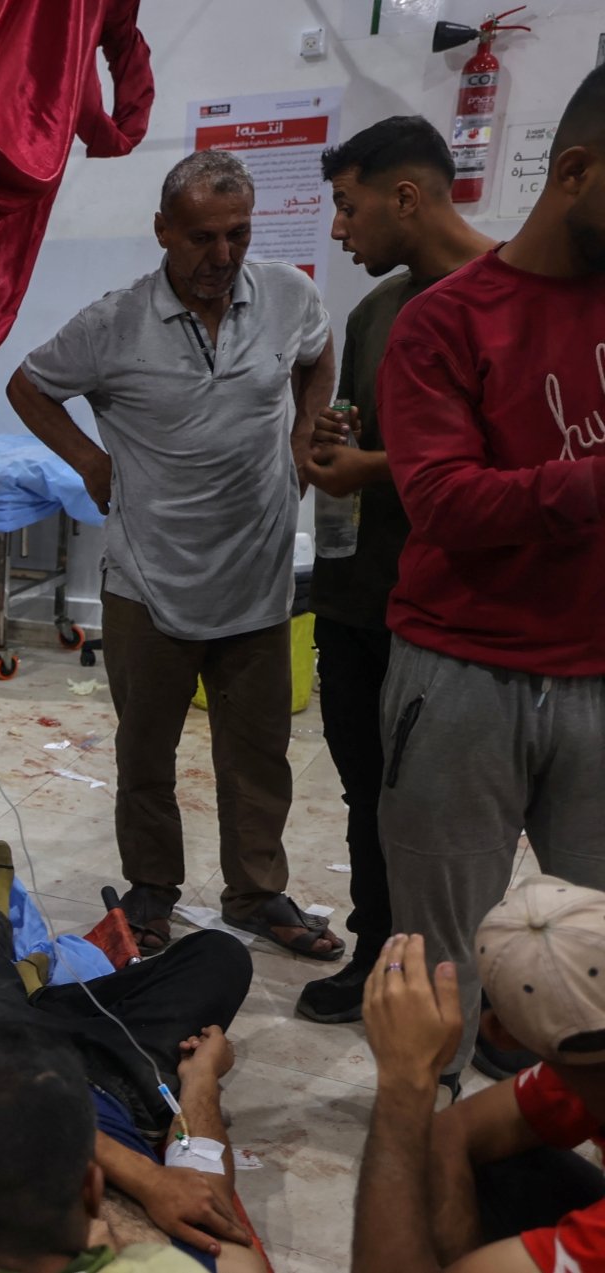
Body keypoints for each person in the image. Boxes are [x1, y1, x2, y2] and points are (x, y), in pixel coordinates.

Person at [8, 148, 343, 962]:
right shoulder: (112, 322)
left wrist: (303, 433)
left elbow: (317, 352)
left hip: (257, 576)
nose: (220, 257)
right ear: (163, 230)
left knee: (257, 753)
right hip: (148, 582)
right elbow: (29, 385)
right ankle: (153, 892)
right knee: (145, 752)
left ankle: (258, 892)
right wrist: (89, 461)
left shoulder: (289, 295)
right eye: (200, 237)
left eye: (236, 234)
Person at [374, 62, 605, 1086]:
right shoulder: (444, 323)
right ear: (575, 172)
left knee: (589, 962)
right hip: (459, 670)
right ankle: (424, 1173)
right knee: (442, 965)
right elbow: (446, 506)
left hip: (596, 672)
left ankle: (561, 1178)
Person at [293, 116, 498, 1026]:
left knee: (458, 818)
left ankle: (479, 987)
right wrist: (339, 441)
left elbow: (504, 461)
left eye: (348, 207)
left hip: (462, 615)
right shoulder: (380, 308)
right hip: (359, 595)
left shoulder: (513, 302)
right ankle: (380, 956)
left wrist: (373, 465)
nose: (339, 230)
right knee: (369, 790)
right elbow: (385, 435)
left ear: (404, 197)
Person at [0, 844, 260, 1270]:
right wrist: (202, 1080)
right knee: (220, 953)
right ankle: (42, 997)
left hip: (9, 1076)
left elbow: (5, 1119)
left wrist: (142, 1177)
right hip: (128, 1086)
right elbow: (205, 1194)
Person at [353, 883, 605, 1273]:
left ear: (501, 1034)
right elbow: (451, 1134)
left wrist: (405, 1083)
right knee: (492, 1163)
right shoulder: (582, 1075)